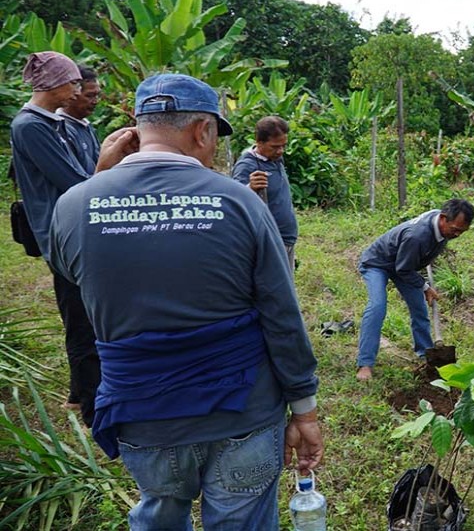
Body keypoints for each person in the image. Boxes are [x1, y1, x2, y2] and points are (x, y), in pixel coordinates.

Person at [49, 74, 323, 530]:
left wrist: (100, 179)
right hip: (243, 414)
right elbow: (281, 313)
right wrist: (304, 409)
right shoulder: (240, 202)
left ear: (137, 130)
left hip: (142, 416)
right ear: (202, 131)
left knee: (160, 512)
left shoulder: (74, 204)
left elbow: (73, 271)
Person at [10, 51, 100, 425]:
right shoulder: (31, 126)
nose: (77, 91)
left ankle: (82, 394)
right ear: (53, 83)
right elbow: (75, 181)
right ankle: (93, 407)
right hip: (61, 234)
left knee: (87, 313)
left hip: (72, 228)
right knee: (81, 317)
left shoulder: (53, 124)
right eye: (73, 83)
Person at [356, 199, 474, 381]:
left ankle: (426, 356)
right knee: (377, 306)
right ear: (443, 218)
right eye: (455, 229)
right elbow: (402, 269)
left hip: (404, 265)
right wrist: (424, 285)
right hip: (378, 263)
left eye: (462, 231)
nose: (457, 234)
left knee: (419, 307)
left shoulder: (442, 225)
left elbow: (405, 266)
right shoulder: (417, 236)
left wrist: (422, 286)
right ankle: (365, 364)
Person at [232, 116, 297, 272]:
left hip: (286, 237)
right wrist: (249, 187)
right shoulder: (246, 166)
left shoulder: (276, 159)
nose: (280, 151)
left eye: (283, 146)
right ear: (259, 142)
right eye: (275, 146)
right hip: (269, 241)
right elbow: (234, 202)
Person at [58, 64, 102, 174]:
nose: (95, 101)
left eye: (97, 95)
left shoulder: (86, 125)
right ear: (73, 93)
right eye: (89, 96)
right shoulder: (62, 129)